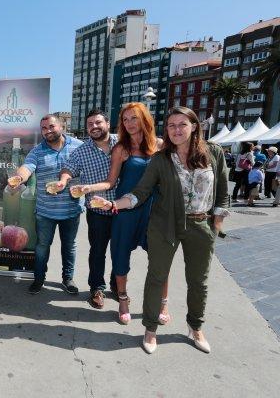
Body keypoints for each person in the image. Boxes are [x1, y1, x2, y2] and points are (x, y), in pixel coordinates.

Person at [93, 106, 229, 354]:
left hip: (201, 225)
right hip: (164, 221)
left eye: (182, 125)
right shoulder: (161, 158)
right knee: (156, 274)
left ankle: (195, 327)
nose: (177, 130)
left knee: (199, 282)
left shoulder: (214, 153)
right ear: (166, 129)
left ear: (194, 126)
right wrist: (113, 203)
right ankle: (150, 328)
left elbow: (222, 195)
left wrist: (215, 226)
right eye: (172, 125)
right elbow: (139, 192)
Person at [75, 103, 170, 325]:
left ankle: (163, 303)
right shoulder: (121, 149)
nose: (129, 123)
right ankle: (123, 300)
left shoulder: (161, 146)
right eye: (125, 120)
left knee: (160, 260)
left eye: (133, 118)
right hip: (126, 210)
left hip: (155, 211)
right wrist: (87, 189)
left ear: (145, 119)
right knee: (120, 257)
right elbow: (110, 181)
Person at [7, 114, 82, 295]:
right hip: (45, 212)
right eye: (44, 128)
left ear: (61, 126)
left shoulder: (79, 147)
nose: (47, 131)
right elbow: (27, 168)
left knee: (69, 246)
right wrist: (19, 177)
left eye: (51, 127)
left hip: (71, 209)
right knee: (42, 246)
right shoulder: (37, 151)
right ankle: (39, 278)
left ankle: (67, 278)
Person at [55, 109, 117, 309]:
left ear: (107, 123)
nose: (94, 127)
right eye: (90, 124)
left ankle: (117, 285)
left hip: (123, 209)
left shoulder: (123, 144)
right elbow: (68, 168)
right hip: (97, 212)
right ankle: (97, 288)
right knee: (98, 251)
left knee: (120, 250)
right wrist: (64, 180)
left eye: (98, 122)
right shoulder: (82, 150)